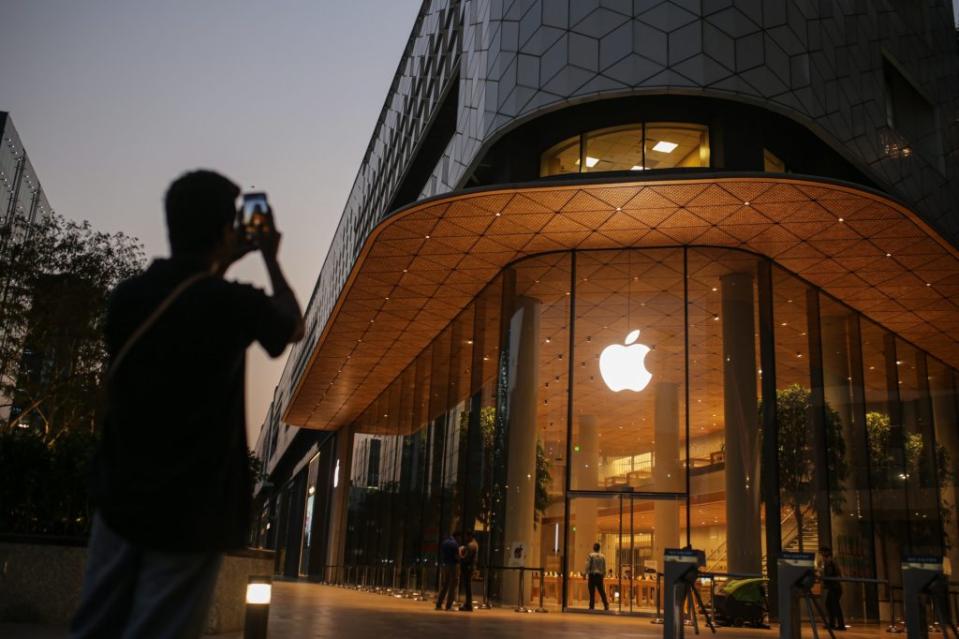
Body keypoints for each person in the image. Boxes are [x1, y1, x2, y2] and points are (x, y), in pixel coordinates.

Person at [70, 170, 304, 639]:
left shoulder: (127, 299)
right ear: (225, 231)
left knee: (95, 626)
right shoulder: (229, 304)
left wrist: (218, 261)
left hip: (121, 493)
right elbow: (291, 327)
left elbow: (187, 302)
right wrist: (269, 257)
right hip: (189, 508)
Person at [820, 546, 845, 631]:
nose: (822, 554)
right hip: (834, 587)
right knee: (830, 604)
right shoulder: (830, 561)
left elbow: (830, 574)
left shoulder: (829, 561)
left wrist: (824, 581)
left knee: (834, 605)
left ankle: (839, 625)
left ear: (826, 552)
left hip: (834, 587)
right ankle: (833, 624)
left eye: (823, 552)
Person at [436, 532, 460, 610]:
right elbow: (456, 556)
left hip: (445, 565)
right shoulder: (455, 544)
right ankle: (448, 605)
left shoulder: (444, 542)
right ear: (457, 537)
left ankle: (439, 604)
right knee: (453, 586)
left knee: (445, 585)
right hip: (453, 565)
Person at [458, 531, 479, 611]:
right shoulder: (475, 544)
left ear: (470, 536)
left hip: (468, 567)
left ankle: (468, 605)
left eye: (467, 536)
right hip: (470, 567)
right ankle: (468, 604)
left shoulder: (471, 545)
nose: (466, 538)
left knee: (468, 587)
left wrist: (460, 556)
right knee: (468, 587)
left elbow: (466, 558)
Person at [585, 542, 609, 611]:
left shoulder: (591, 555)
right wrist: (604, 574)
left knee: (592, 592)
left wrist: (585, 573)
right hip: (600, 576)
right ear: (599, 548)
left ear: (594, 548)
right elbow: (604, 566)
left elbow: (587, 565)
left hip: (592, 575)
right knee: (602, 591)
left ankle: (591, 606)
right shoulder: (602, 556)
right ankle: (606, 605)